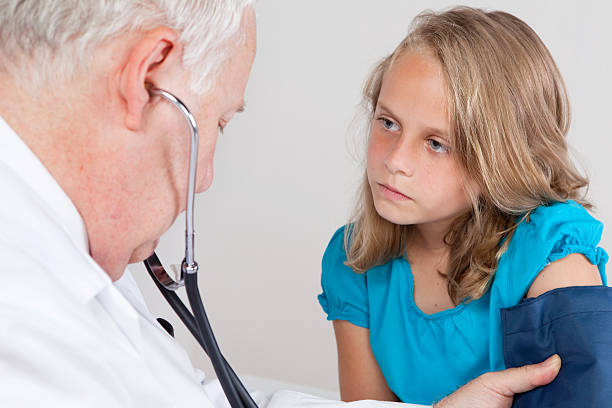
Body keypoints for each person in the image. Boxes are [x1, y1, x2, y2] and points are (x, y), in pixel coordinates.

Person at [0, 1, 562, 407]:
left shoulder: (71, 259)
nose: (206, 180)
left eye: (436, 143)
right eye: (218, 123)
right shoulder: (22, 315)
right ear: (147, 76)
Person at [317, 6, 608, 407]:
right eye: (388, 123)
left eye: (436, 143)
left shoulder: (549, 252)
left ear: (500, 160)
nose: (396, 160)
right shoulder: (354, 263)